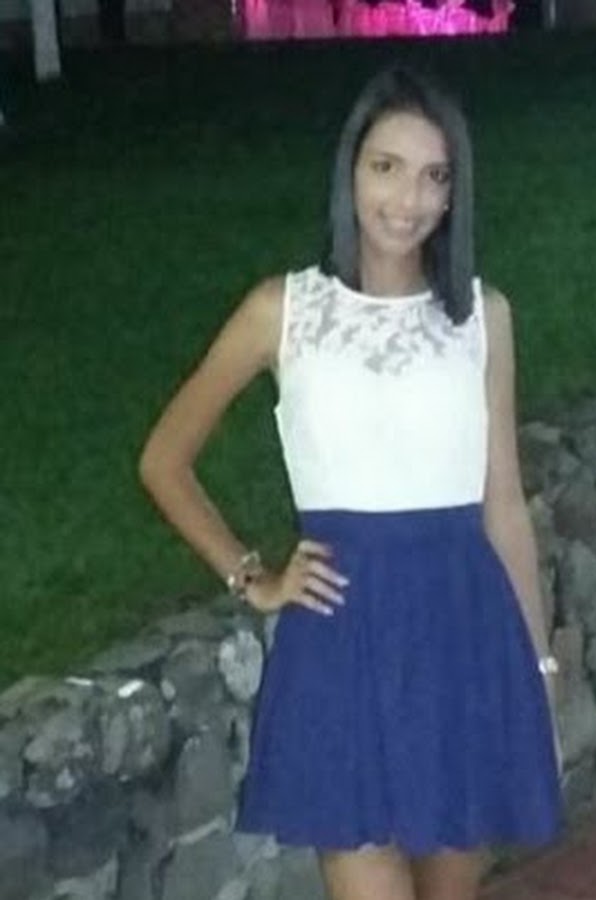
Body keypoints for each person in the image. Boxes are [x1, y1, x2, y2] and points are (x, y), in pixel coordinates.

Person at [139, 65, 563, 900]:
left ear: (455, 194)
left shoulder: (482, 317)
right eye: (387, 167)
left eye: (434, 176)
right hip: (343, 638)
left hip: (463, 634)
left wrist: (539, 673)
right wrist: (250, 576)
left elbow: (504, 505)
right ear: (350, 172)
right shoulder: (282, 311)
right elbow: (164, 459)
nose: (408, 199)